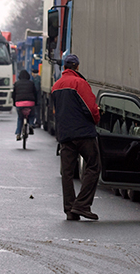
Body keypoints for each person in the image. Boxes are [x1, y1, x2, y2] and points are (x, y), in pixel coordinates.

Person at [51, 54, 101, 221]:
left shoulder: (56, 86)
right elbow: (91, 108)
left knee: (67, 172)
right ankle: (82, 205)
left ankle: (70, 209)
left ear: (65, 67)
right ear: (77, 67)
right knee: (93, 166)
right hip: (83, 133)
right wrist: (97, 118)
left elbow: (56, 111)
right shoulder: (80, 83)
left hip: (65, 135)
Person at [12, 69, 37, 141]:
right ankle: (31, 124)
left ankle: (18, 134)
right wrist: (35, 102)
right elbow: (35, 94)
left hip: (19, 104)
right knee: (32, 115)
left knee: (20, 118)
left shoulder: (16, 84)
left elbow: (13, 95)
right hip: (30, 103)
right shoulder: (31, 83)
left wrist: (15, 103)